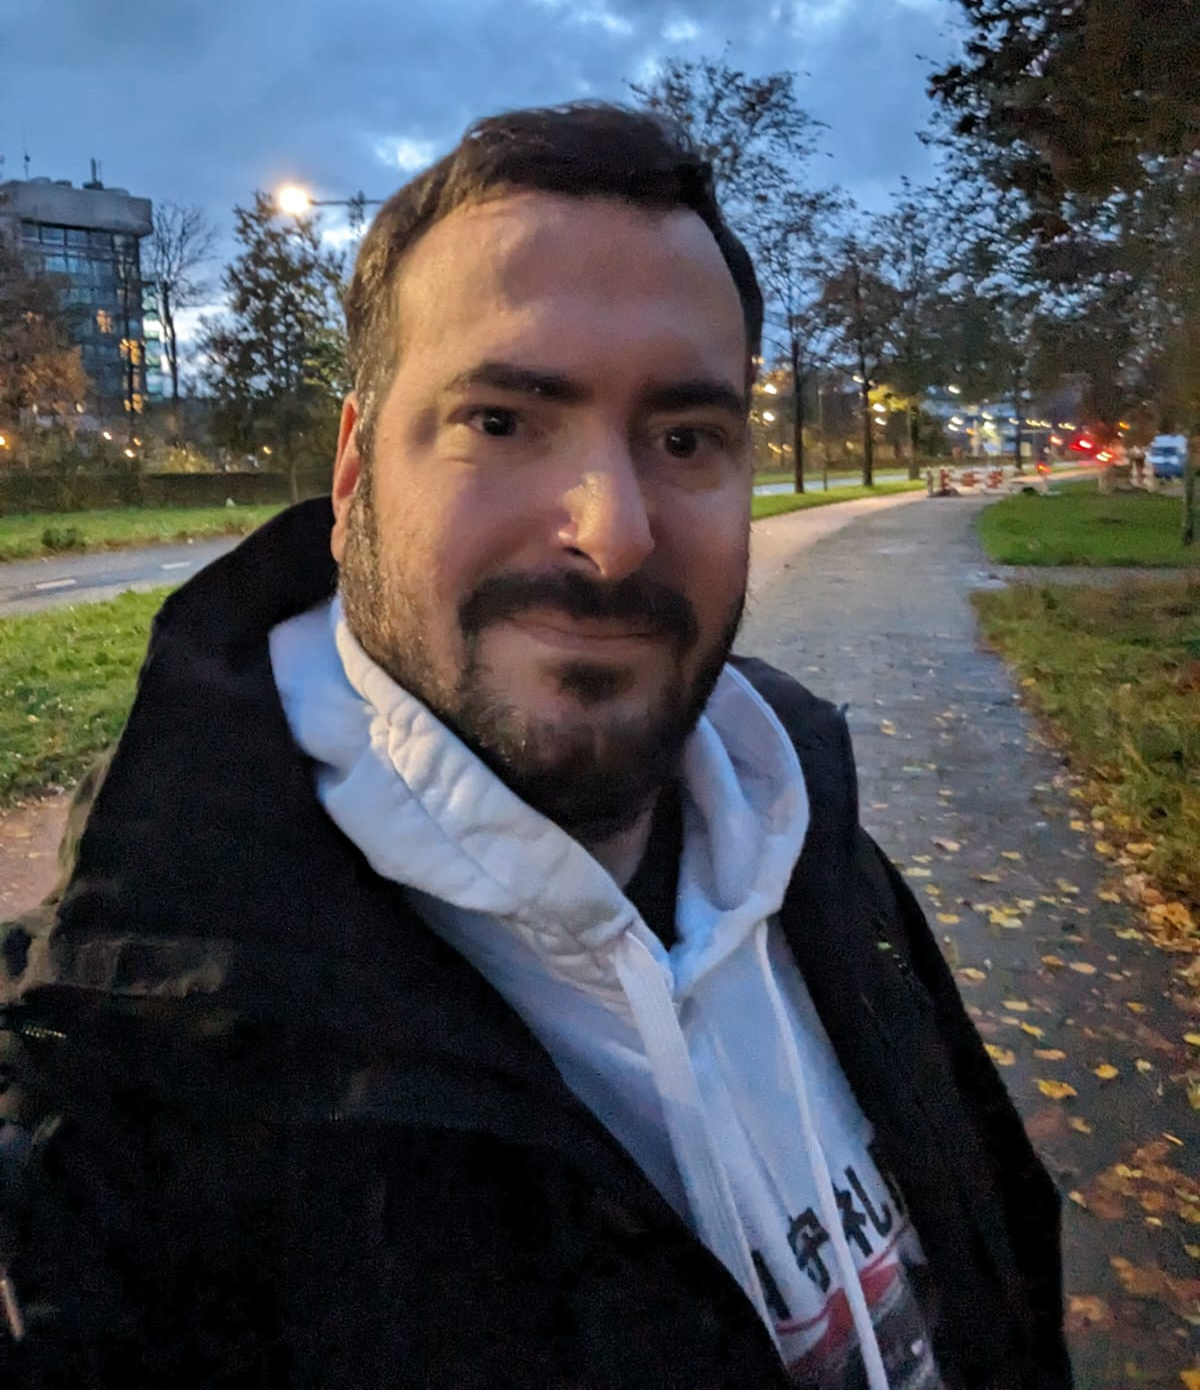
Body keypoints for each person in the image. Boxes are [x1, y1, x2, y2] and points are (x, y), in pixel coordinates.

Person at [0, 103, 1069, 1390]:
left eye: (685, 439)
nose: (612, 535)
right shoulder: (112, 1089)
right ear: (354, 474)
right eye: (502, 421)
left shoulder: (811, 840)